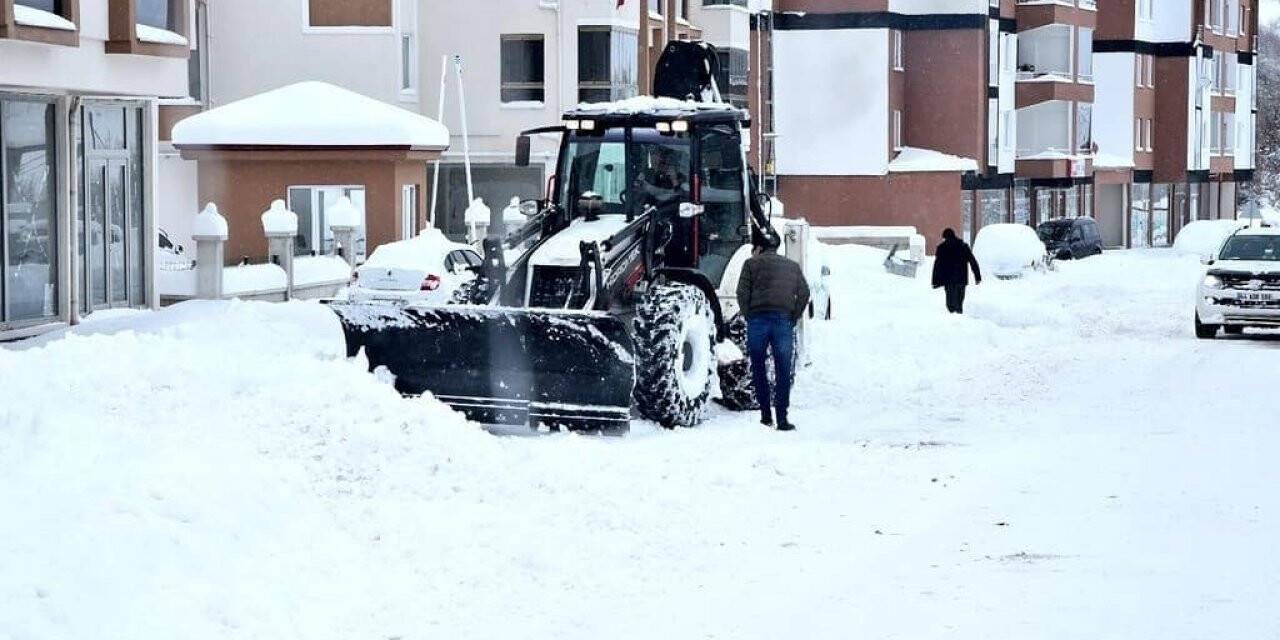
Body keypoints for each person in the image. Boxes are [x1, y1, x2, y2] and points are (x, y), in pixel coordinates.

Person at [736, 234, 810, 431]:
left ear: (759, 247)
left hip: (758, 321)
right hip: (782, 321)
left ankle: (765, 415)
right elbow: (804, 293)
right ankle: (783, 419)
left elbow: (741, 293)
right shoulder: (792, 266)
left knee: (758, 368)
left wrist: (749, 315)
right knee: (783, 370)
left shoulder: (750, 265)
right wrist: (793, 316)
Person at [931, 228, 982, 314]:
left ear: (945, 237)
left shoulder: (942, 248)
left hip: (949, 280)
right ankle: (958, 318)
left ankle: (954, 320)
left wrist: (935, 281)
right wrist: (977, 277)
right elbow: (973, 261)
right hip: (961, 280)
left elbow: (937, 266)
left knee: (950, 304)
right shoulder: (963, 246)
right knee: (959, 303)